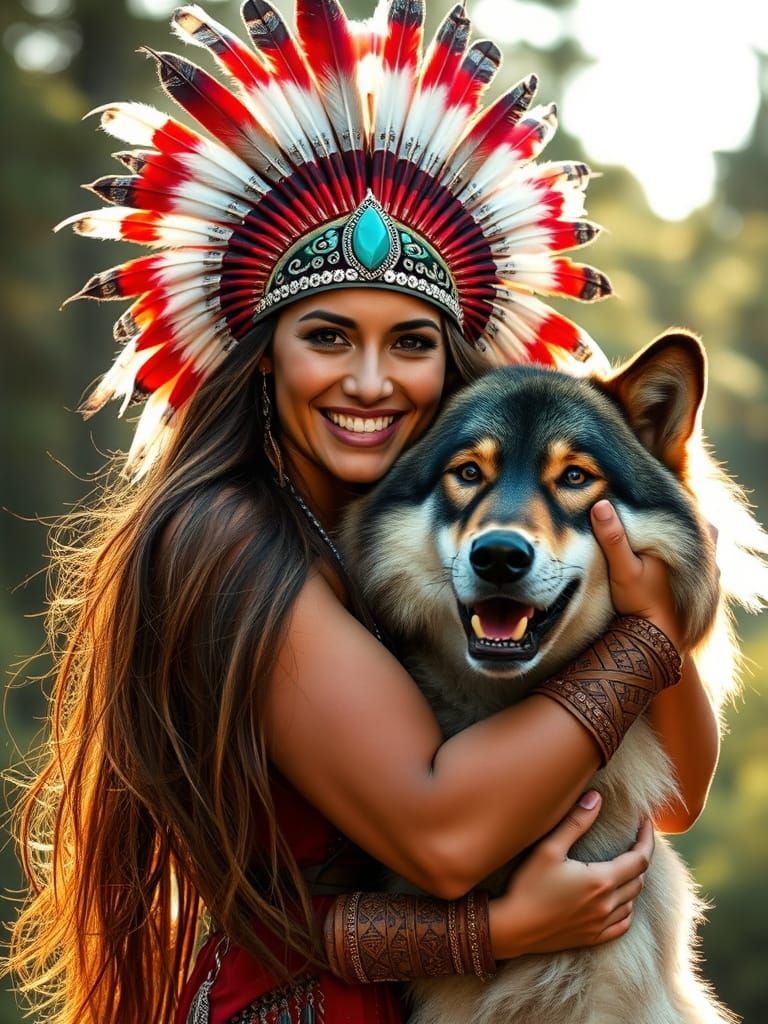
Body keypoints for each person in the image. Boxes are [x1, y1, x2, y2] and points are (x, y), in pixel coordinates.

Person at [8, 3, 719, 1023]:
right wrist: (643, 639)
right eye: (330, 337)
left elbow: (672, 797)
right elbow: (440, 834)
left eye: (412, 344)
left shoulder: (438, 543)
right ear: (267, 352)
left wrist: (652, 615)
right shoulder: (231, 539)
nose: (373, 381)